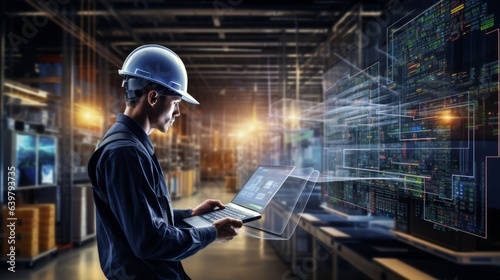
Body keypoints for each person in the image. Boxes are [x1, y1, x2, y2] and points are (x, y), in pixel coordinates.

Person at [87, 44, 243, 280]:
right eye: (176, 103)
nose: (178, 113)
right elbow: (150, 241)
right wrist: (211, 233)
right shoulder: (126, 153)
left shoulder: (130, 145)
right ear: (153, 97)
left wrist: (190, 214)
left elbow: (142, 216)